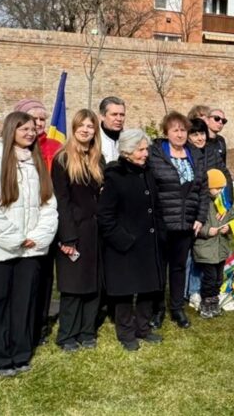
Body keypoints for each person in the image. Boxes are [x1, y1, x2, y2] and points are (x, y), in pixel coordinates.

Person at [0, 111, 58, 376]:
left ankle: (20, 353)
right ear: (11, 132)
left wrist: (37, 237)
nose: (30, 133)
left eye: (32, 129)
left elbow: (48, 205)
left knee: (24, 304)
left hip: (30, 251)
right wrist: (16, 239)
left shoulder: (36, 164)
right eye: (24, 129)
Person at [97, 129, 164, 351]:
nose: (146, 154)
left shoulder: (148, 173)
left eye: (147, 149)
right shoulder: (115, 176)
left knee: (148, 287)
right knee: (125, 290)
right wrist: (123, 240)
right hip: (125, 245)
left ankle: (143, 328)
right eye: (141, 149)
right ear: (127, 151)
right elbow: (105, 215)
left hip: (148, 242)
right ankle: (126, 332)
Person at [148, 111, 209, 329]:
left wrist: (200, 217)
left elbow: (203, 189)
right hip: (162, 221)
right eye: (175, 130)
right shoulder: (155, 154)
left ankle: (177, 309)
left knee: (178, 267)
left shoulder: (195, 155)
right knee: (158, 267)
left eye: (183, 130)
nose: (180, 134)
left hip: (186, 223)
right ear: (166, 132)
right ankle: (157, 310)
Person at [51, 109, 104, 352]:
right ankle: (67, 334)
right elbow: (62, 200)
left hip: (96, 231)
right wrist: (67, 236)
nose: (85, 130)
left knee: (93, 283)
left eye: (90, 126)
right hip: (73, 230)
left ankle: (87, 331)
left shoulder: (97, 159)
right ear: (73, 128)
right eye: (81, 125)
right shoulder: (62, 159)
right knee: (73, 285)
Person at [13, 98, 61, 347]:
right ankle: (21, 324)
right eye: (34, 119)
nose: (39, 124)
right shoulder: (13, 149)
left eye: (43, 119)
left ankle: (40, 325)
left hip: (47, 220)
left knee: (44, 277)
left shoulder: (56, 146)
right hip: (19, 224)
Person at [194, 169, 234, 319]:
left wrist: (229, 227)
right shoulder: (202, 204)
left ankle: (214, 301)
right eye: (217, 188)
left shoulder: (224, 203)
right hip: (206, 249)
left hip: (221, 248)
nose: (220, 191)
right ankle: (206, 303)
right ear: (208, 187)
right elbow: (194, 225)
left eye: (222, 188)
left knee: (219, 278)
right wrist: (207, 231)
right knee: (209, 278)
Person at [205, 107, 233, 203]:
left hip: (219, 188)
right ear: (207, 120)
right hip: (205, 190)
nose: (220, 122)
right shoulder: (200, 141)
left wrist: (229, 198)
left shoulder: (221, 141)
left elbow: (223, 169)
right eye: (217, 118)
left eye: (223, 121)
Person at [99, 96, 126, 164]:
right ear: (102, 116)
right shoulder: (93, 140)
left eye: (122, 115)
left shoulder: (129, 140)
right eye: (114, 114)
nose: (119, 119)